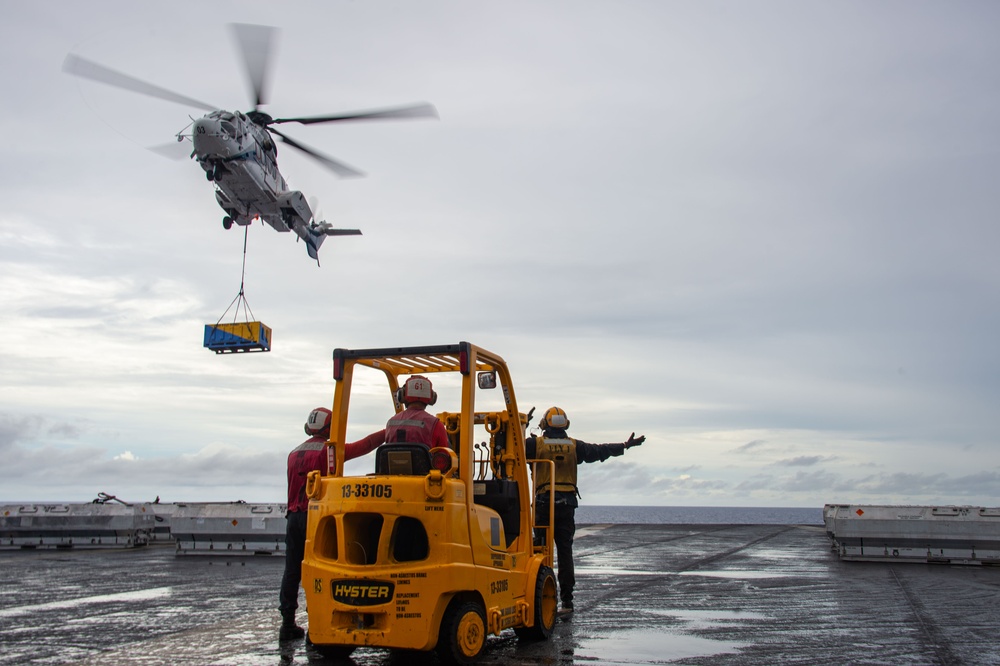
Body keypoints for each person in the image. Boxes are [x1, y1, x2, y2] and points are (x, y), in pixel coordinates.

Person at [278, 407, 386, 640]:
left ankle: (287, 623)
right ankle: (318, 623)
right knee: (322, 571)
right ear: (329, 427)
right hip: (316, 519)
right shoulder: (328, 451)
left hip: (293, 518)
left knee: (292, 571)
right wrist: (388, 432)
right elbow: (364, 445)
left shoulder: (293, 453)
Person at [525, 406, 645, 612]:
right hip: (567, 505)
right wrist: (625, 445)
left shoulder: (535, 444)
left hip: (544, 504)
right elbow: (599, 450)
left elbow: (513, 446)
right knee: (564, 553)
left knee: (540, 552)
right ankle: (567, 602)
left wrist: (523, 424)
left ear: (545, 424)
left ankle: (540, 599)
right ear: (566, 425)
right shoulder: (574, 446)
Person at [385, 375, 449, 448]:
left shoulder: (390, 424)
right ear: (432, 398)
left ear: (402, 395)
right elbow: (443, 456)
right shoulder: (436, 425)